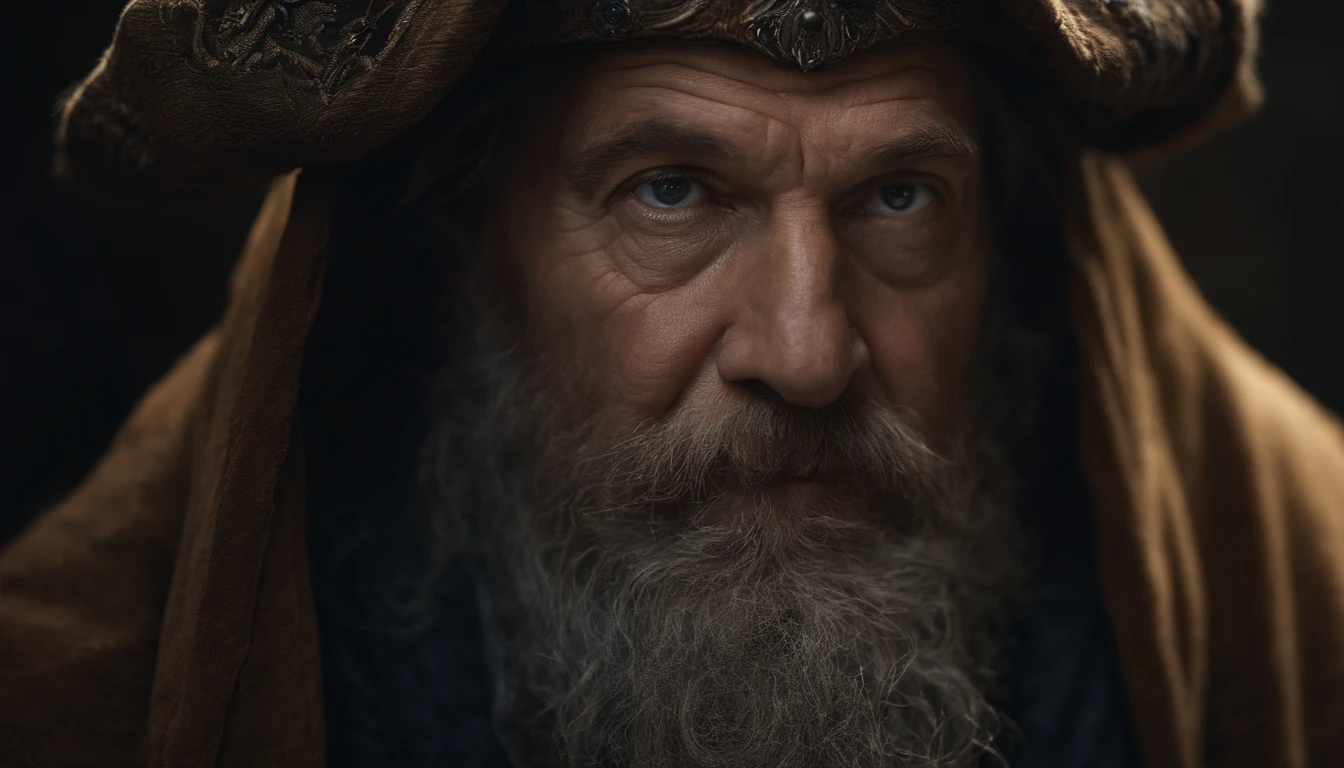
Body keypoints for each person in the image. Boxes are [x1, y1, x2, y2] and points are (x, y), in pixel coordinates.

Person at [2, 1, 1341, 766]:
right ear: (464, 252)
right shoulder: (77, 684)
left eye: (898, 196)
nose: (809, 354)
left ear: (1010, 244)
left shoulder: (1302, 591)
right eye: (672, 192)